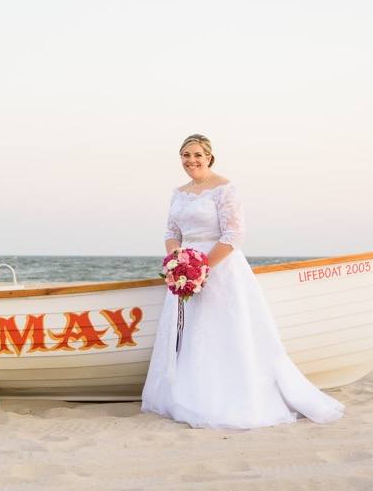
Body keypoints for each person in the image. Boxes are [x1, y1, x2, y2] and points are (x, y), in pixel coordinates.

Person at [141, 133, 344, 429]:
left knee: (222, 330)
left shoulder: (224, 188)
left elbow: (234, 235)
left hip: (220, 268)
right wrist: (177, 262)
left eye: (197, 154)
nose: (191, 161)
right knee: (190, 332)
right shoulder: (178, 192)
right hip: (184, 272)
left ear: (209, 157)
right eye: (186, 155)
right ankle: (185, 395)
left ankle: (231, 397)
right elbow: (171, 232)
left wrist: (201, 267)